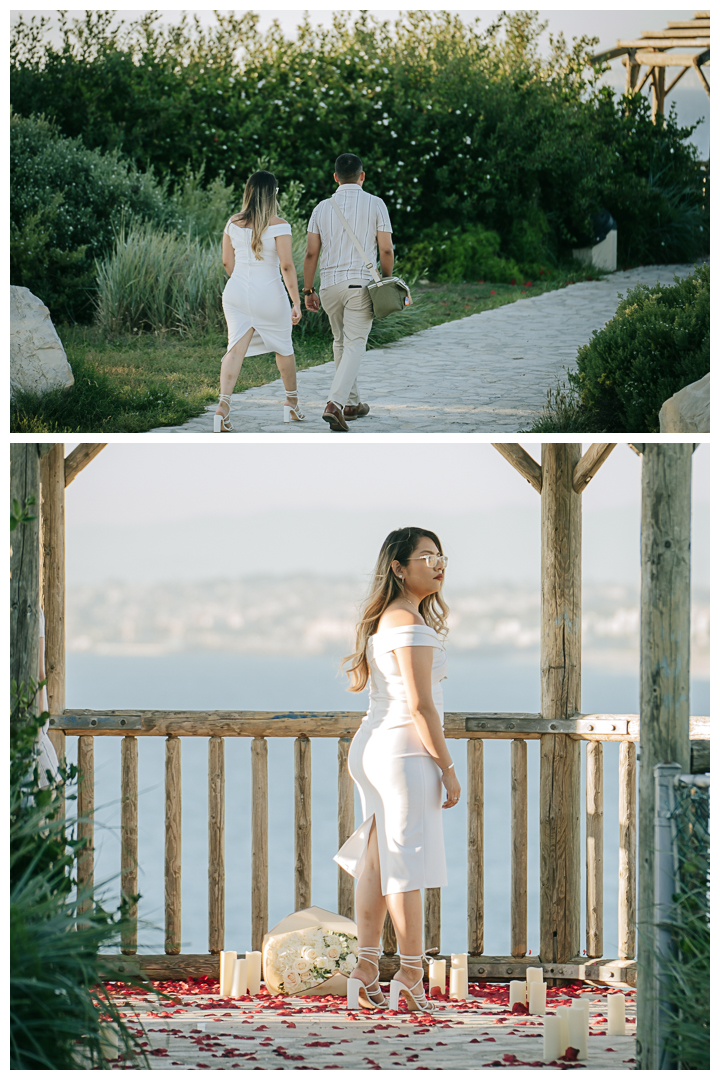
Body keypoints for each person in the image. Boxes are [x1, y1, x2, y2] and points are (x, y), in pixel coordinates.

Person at [335, 527, 461, 1013]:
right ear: (398, 566)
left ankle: (366, 967)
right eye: (426, 557)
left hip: (373, 747)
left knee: (377, 858)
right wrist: (447, 768)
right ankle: (410, 974)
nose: (438, 564)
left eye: (440, 556)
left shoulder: (388, 620)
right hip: (404, 753)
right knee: (405, 864)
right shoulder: (407, 622)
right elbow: (423, 707)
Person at [303, 153, 394, 432]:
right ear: (362, 176)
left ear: (335, 178)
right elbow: (386, 250)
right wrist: (387, 281)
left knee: (341, 342)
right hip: (360, 285)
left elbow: (310, 254)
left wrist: (308, 290)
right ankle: (335, 403)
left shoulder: (321, 208)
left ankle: (352, 404)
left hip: (329, 286)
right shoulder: (376, 204)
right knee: (355, 343)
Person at [215, 170, 305, 431]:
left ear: (249, 192)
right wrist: (296, 302)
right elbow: (286, 266)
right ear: (273, 194)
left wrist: (242, 282)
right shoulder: (279, 224)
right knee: (284, 348)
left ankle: (223, 407)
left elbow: (226, 261)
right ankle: (291, 403)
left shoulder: (232, 222)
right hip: (269, 293)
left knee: (235, 349)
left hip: (235, 292)